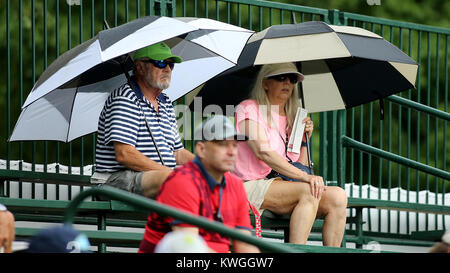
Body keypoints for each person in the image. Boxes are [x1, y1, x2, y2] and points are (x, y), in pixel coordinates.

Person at [233, 62, 348, 247]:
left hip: (280, 184)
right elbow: (263, 152)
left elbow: (296, 164)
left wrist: (304, 139)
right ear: (265, 83)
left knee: (338, 197)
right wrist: (306, 178)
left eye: (292, 79)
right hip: (247, 185)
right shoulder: (248, 108)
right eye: (280, 77)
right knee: (309, 190)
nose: (287, 82)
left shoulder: (293, 116)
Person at [139, 115, 260, 253]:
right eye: (222, 144)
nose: (231, 152)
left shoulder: (236, 185)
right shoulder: (182, 181)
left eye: (234, 145)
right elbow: (189, 247)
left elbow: (245, 245)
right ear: (201, 149)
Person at [93, 42, 195, 198]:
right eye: (160, 62)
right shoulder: (125, 98)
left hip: (155, 179)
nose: (167, 69)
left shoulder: (165, 102)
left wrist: (207, 167)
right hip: (119, 181)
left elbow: (178, 153)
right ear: (140, 68)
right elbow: (124, 154)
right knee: (181, 182)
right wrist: (168, 172)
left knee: (214, 181)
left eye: (170, 64)